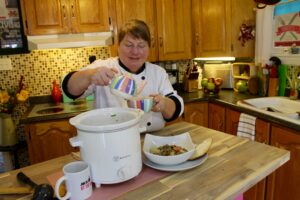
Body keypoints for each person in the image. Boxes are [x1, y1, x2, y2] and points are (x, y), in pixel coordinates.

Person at [62, 19, 184, 132]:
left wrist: (164, 104)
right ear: (118, 45)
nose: (135, 51)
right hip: (111, 141)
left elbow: (176, 107)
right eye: (129, 45)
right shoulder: (103, 66)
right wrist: (90, 75)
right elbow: (69, 89)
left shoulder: (158, 73)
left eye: (141, 46)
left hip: (151, 140)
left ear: (148, 48)